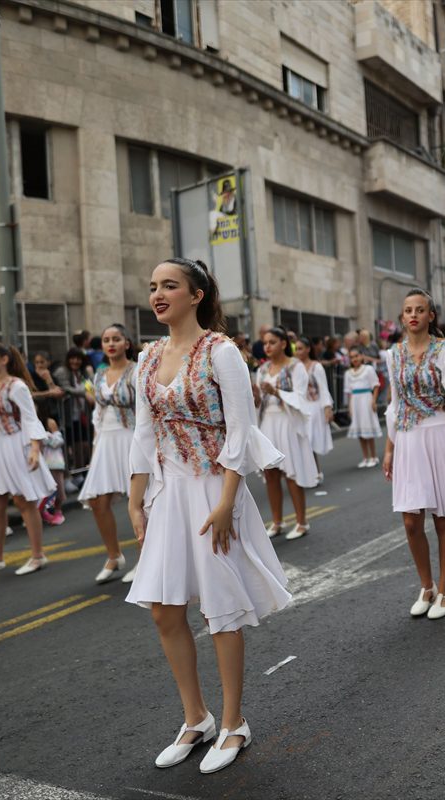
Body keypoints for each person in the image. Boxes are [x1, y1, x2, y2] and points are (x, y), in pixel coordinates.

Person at [127, 257, 289, 774]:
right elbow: (143, 431)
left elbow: (241, 430)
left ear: (196, 295)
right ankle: (194, 717)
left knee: (221, 610)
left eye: (169, 285)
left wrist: (226, 502)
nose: (158, 294)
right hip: (168, 492)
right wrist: (135, 497)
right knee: (164, 609)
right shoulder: (147, 357)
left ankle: (233, 723)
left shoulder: (221, 352)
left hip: (216, 490)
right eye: (153, 287)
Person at [382, 289, 445, 620]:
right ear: (402, 316)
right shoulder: (392, 355)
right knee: (410, 520)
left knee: (441, 516)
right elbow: (394, 404)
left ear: (430, 316)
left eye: (420, 310)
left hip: (440, 435)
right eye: (408, 310)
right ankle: (426, 586)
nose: (413, 315)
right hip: (408, 437)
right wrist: (389, 447)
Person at [0, 342, 57, 577]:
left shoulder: (16, 386)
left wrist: (35, 448)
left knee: (23, 501)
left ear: (4, 360)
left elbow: (30, 418)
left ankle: (38, 555)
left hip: (15, 443)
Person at [78, 324, 139, 583]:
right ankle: (114, 556)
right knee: (98, 501)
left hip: (132, 437)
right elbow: (97, 413)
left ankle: (147, 558)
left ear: (127, 343)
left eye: (116, 339)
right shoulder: (100, 373)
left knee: (139, 502)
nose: (111, 343)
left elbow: (146, 409)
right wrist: (95, 446)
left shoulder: (137, 370)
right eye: (106, 340)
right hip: (105, 439)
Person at [256, 327, 317, 540]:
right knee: (271, 474)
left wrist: (277, 392)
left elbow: (301, 398)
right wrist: (255, 395)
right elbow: (257, 404)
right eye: (265, 343)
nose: (268, 347)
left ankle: (301, 522)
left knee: (291, 473)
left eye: (272, 342)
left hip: (287, 423)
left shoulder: (295, 367)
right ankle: (277, 522)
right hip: (267, 424)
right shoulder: (263, 369)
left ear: (283, 343)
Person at [294, 338, 333, 484]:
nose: (298, 351)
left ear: (308, 349)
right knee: (302, 443)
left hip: (314, 408)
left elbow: (323, 388)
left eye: (300, 348)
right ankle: (308, 473)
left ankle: (316, 472)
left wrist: (327, 407)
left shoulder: (316, 367)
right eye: (296, 349)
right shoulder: (294, 367)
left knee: (310, 442)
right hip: (300, 408)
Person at [54, 348, 94, 471]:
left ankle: (80, 471)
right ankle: (69, 473)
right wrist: (84, 393)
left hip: (81, 414)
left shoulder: (83, 372)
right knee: (68, 444)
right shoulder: (62, 371)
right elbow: (66, 388)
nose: (75, 361)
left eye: (78, 359)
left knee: (82, 444)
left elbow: (91, 384)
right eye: (72, 358)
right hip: (67, 415)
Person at [344, 346, 382, 467]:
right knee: (360, 430)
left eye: (356, 356)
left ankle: (374, 456)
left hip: (366, 399)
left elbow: (375, 385)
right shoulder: (348, 373)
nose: (354, 359)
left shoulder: (368, 369)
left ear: (361, 356)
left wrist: (374, 401)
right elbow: (349, 392)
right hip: (355, 401)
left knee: (368, 427)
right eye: (352, 357)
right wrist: (349, 407)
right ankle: (365, 457)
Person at [39, 418, 67, 525]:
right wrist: (55, 432)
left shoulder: (50, 434)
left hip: (56, 465)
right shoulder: (42, 434)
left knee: (58, 490)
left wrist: (55, 431)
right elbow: (54, 442)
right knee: (46, 492)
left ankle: (58, 511)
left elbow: (58, 442)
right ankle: (43, 512)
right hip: (47, 465)